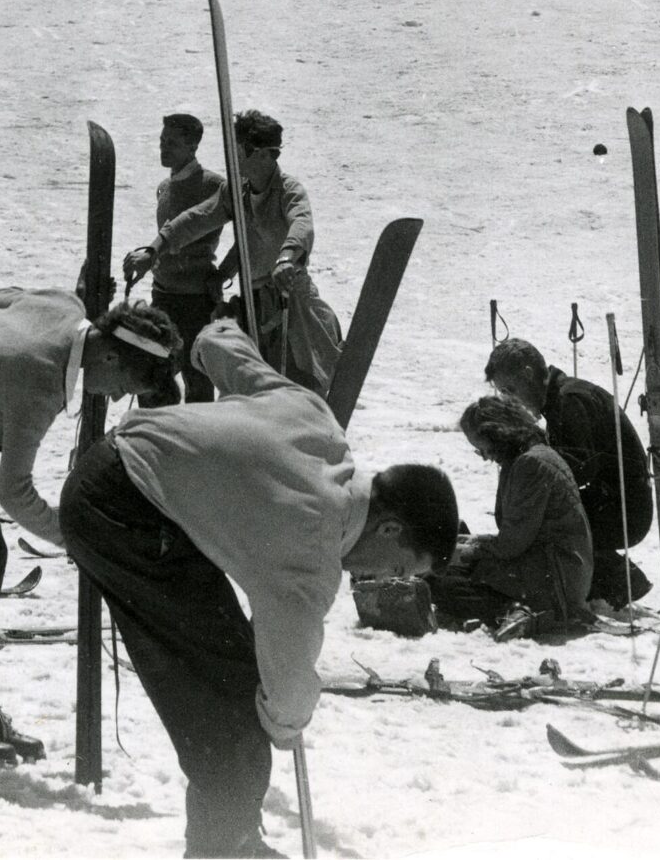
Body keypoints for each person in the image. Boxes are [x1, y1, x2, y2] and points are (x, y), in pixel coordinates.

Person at [59, 318, 458, 858]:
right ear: (390, 528)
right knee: (233, 716)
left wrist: (210, 340)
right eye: (402, 568)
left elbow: (230, 352)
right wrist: (285, 721)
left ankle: (231, 839)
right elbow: (287, 674)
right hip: (121, 511)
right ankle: (225, 849)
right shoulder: (314, 548)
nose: (386, 580)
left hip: (125, 480)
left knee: (232, 693)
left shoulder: (317, 422)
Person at [0, 291, 181, 763]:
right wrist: (76, 538)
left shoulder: (66, 307)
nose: (119, 396)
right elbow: (15, 492)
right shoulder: (38, 384)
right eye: (125, 383)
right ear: (107, 353)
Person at [486, 335, 653, 603]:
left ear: (528, 375)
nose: (508, 400)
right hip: (612, 500)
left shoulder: (570, 401)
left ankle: (617, 581)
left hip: (624, 510)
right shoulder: (559, 398)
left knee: (540, 518)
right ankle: (613, 580)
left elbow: (579, 469)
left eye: (510, 390)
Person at [431, 393, 594, 633]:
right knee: (449, 548)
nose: (485, 456)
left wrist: (471, 551)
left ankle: (520, 611)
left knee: (441, 583)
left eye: (482, 448)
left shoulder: (531, 464)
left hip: (554, 581)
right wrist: (475, 545)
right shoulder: (526, 458)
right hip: (545, 566)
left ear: (497, 435)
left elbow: (512, 544)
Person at [209, 110, 343, 396]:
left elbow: (302, 223)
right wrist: (159, 246)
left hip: (289, 299)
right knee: (252, 386)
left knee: (302, 380)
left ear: (265, 154)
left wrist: (286, 258)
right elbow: (203, 219)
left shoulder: (289, 191)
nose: (233, 156)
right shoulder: (238, 191)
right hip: (254, 303)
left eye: (240, 148)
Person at [124, 113, 227, 400]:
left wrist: (224, 273)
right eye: (161, 141)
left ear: (193, 146)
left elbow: (193, 225)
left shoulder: (213, 185)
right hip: (163, 295)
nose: (163, 148)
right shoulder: (164, 187)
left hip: (195, 300)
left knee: (198, 381)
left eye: (172, 143)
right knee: (153, 376)